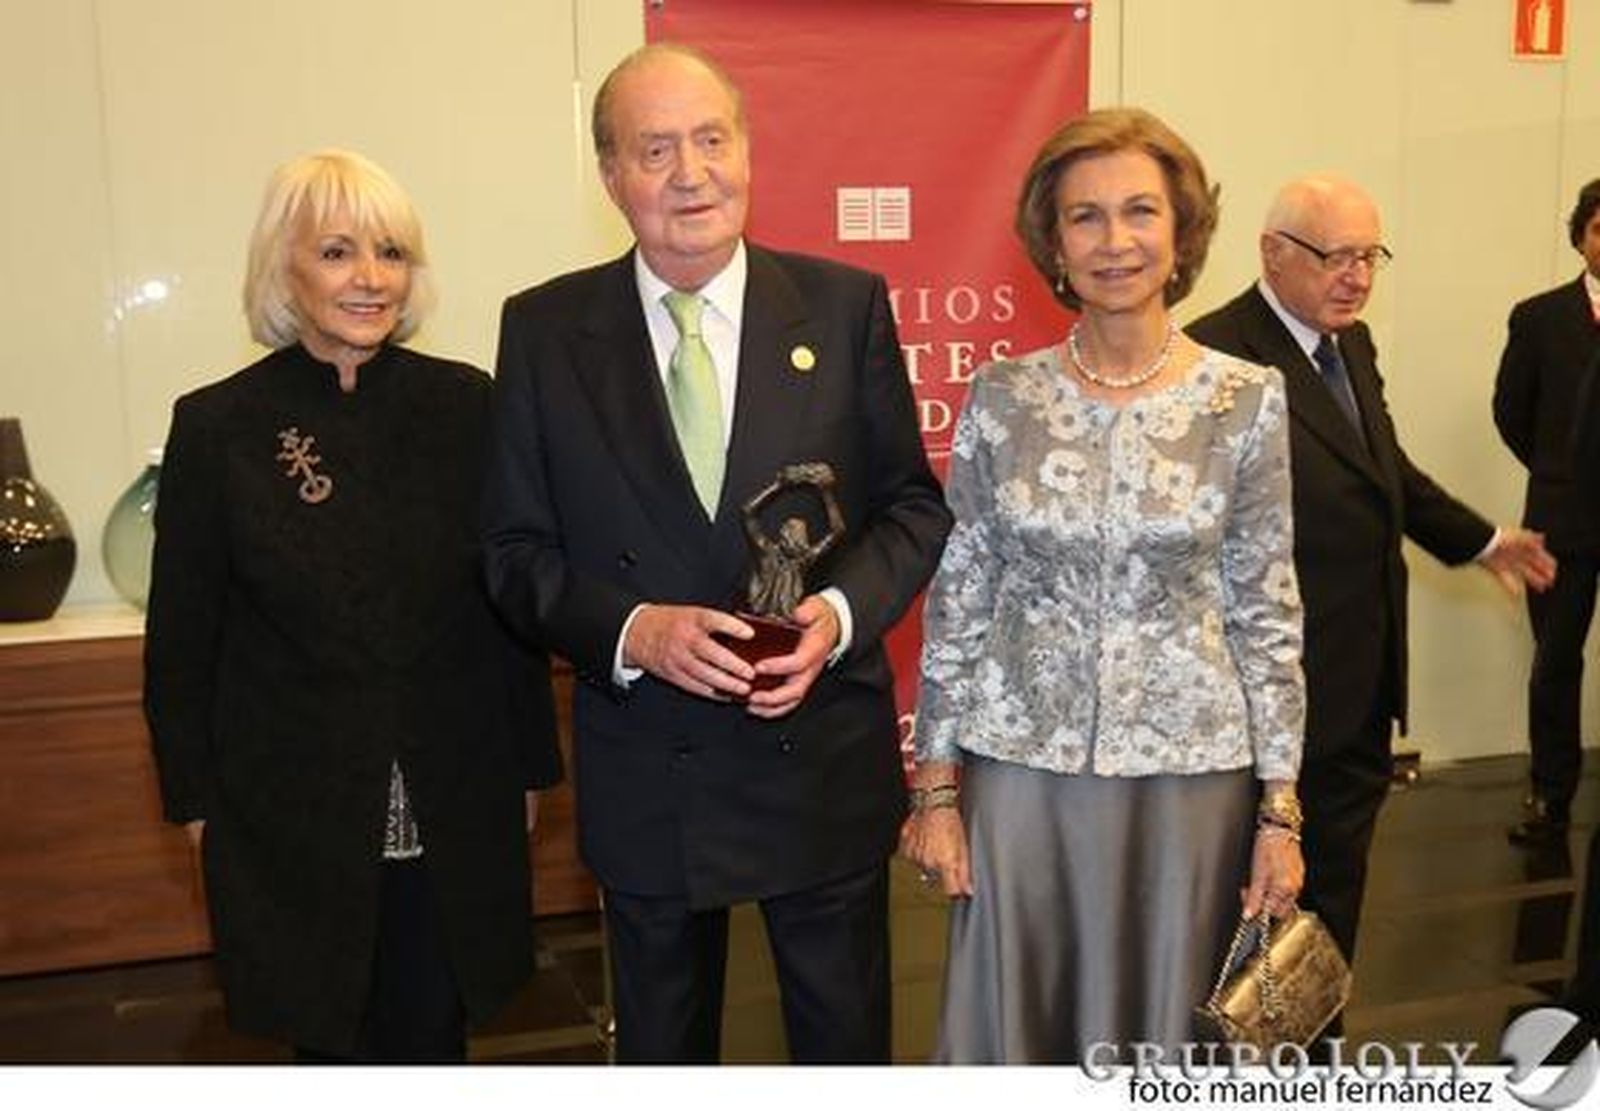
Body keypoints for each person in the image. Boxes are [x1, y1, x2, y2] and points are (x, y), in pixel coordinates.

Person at [481, 44, 950, 1064]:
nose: (688, 173)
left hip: (815, 756)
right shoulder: (544, 329)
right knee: (663, 1055)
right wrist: (632, 629)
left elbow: (912, 508)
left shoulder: (842, 306)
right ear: (610, 176)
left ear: (747, 151)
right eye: (654, 149)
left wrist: (833, 620)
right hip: (648, 762)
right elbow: (512, 552)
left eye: (709, 140)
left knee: (844, 1050)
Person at [901, 107, 1306, 1063]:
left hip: (1191, 785)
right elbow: (964, 592)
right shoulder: (1004, 395)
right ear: (1053, 240)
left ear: (1181, 233)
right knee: (1023, 1019)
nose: (1114, 240)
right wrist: (934, 789)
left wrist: (1280, 808)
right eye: (1085, 217)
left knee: (1174, 1017)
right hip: (1023, 781)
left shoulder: (1246, 399)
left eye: (1139, 212)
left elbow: (1266, 606)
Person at [144, 150, 560, 1062]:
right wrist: (194, 798)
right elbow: (181, 638)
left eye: (390, 251)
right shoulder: (220, 427)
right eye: (337, 252)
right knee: (329, 1037)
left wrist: (531, 764)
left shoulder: (467, 405)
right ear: (283, 267)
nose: (369, 278)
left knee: (434, 1031)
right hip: (290, 807)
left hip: (454, 790)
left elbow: (507, 597)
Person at [1187, 176, 1556, 985]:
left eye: (1369, 256)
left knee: (1334, 897)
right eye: (1336, 256)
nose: (1357, 276)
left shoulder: (1348, 343)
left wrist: (1484, 539)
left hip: (1360, 681)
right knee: (1248, 910)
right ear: (1274, 254)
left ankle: (1315, 1053)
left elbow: (1383, 472)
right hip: (1265, 698)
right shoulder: (1215, 356)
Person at [1493, 178, 1600, 846]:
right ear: (1582, 234)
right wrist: (1562, 469)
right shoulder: (1538, 317)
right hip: (1562, 521)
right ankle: (1550, 793)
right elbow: (1510, 411)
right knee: (1556, 660)